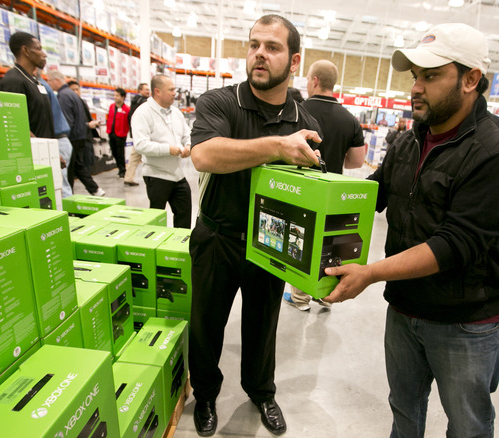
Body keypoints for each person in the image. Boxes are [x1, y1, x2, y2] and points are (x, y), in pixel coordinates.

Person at [322, 23, 499, 438]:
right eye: (415, 75)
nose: (416, 86)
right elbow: (372, 194)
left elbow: (457, 243)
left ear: (471, 79)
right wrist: (311, 193)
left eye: (431, 76)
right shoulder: (410, 139)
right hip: (404, 308)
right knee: (404, 409)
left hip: (466, 321)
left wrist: (371, 272)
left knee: (467, 424)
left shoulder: (497, 149)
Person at [188, 14, 322, 437]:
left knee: (264, 326)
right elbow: (205, 155)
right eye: (253, 44)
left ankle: (262, 392)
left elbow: (316, 192)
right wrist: (277, 147)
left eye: (273, 47)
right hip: (218, 236)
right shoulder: (221, 102)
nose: (259, 53)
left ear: (295, 61)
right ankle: (206, 394)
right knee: (206, 322)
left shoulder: (307, 123)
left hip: (273, 244)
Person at [283, 59, 366, 312]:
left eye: (308, 79)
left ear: (315, 81)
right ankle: (324, 293)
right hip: (333, 193)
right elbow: (356, 161)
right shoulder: (350, 120)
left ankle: (300, 299)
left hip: (302, 190)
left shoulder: (296, 111)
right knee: (327, 245)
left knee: (300, 241)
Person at [131, 75, 192, 229]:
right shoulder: (142, 113)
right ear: (157, 91)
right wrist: (168, 150)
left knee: (184, 215)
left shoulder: (176, 113)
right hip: (156, 174)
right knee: (156, 220)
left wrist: (189, 145)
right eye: (171, 90)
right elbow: (140, 145)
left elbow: (187, 134)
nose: (174, 93)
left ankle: (179, 247)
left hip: (178, 174)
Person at [47, 71, 104, 197]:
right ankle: (94, 190)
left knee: (68, 171)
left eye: (49, 81)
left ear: (56, 80)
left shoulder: (63, 96)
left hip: (71, 138)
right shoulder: (73, 96)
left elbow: (67, 121)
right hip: (80, 137)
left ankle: (70, 198)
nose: (49, 84)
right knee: (76, 167)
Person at [0, 32, 54, 139]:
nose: (44, 54)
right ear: (26, 51)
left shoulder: (33, 81)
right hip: (32, 152)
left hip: (45, 151)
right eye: (39, 49)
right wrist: (42, 147)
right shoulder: (13, 81)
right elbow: (15, 124)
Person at [38, 71, 73, 197]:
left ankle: (67, 214)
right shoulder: (48, 89)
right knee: (62, 183)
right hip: (63, 140)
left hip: (57, 141)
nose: (49, 83)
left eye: (50, 81)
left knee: (61, 187)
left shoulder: (45, 88)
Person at [123, 83, 150, 187]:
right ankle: (128, 178)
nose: (148, 92)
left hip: (137, 133)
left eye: (149, 90)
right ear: (140, 90)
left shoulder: (135, 100)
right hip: (142, 134)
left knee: (135, 155)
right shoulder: (142, 101)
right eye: (146, 90)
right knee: (136, 155)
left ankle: (128, 177)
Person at [107, 87, 130, 179]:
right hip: (111, 132)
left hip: (121, 134)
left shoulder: (127, 109)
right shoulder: (112, 106)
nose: (115, 97)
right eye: (114, 95)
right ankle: (119, 168)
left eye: (117, 95)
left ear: (123, 97)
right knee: (114, 152)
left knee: (120, 153)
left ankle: (122, 170)